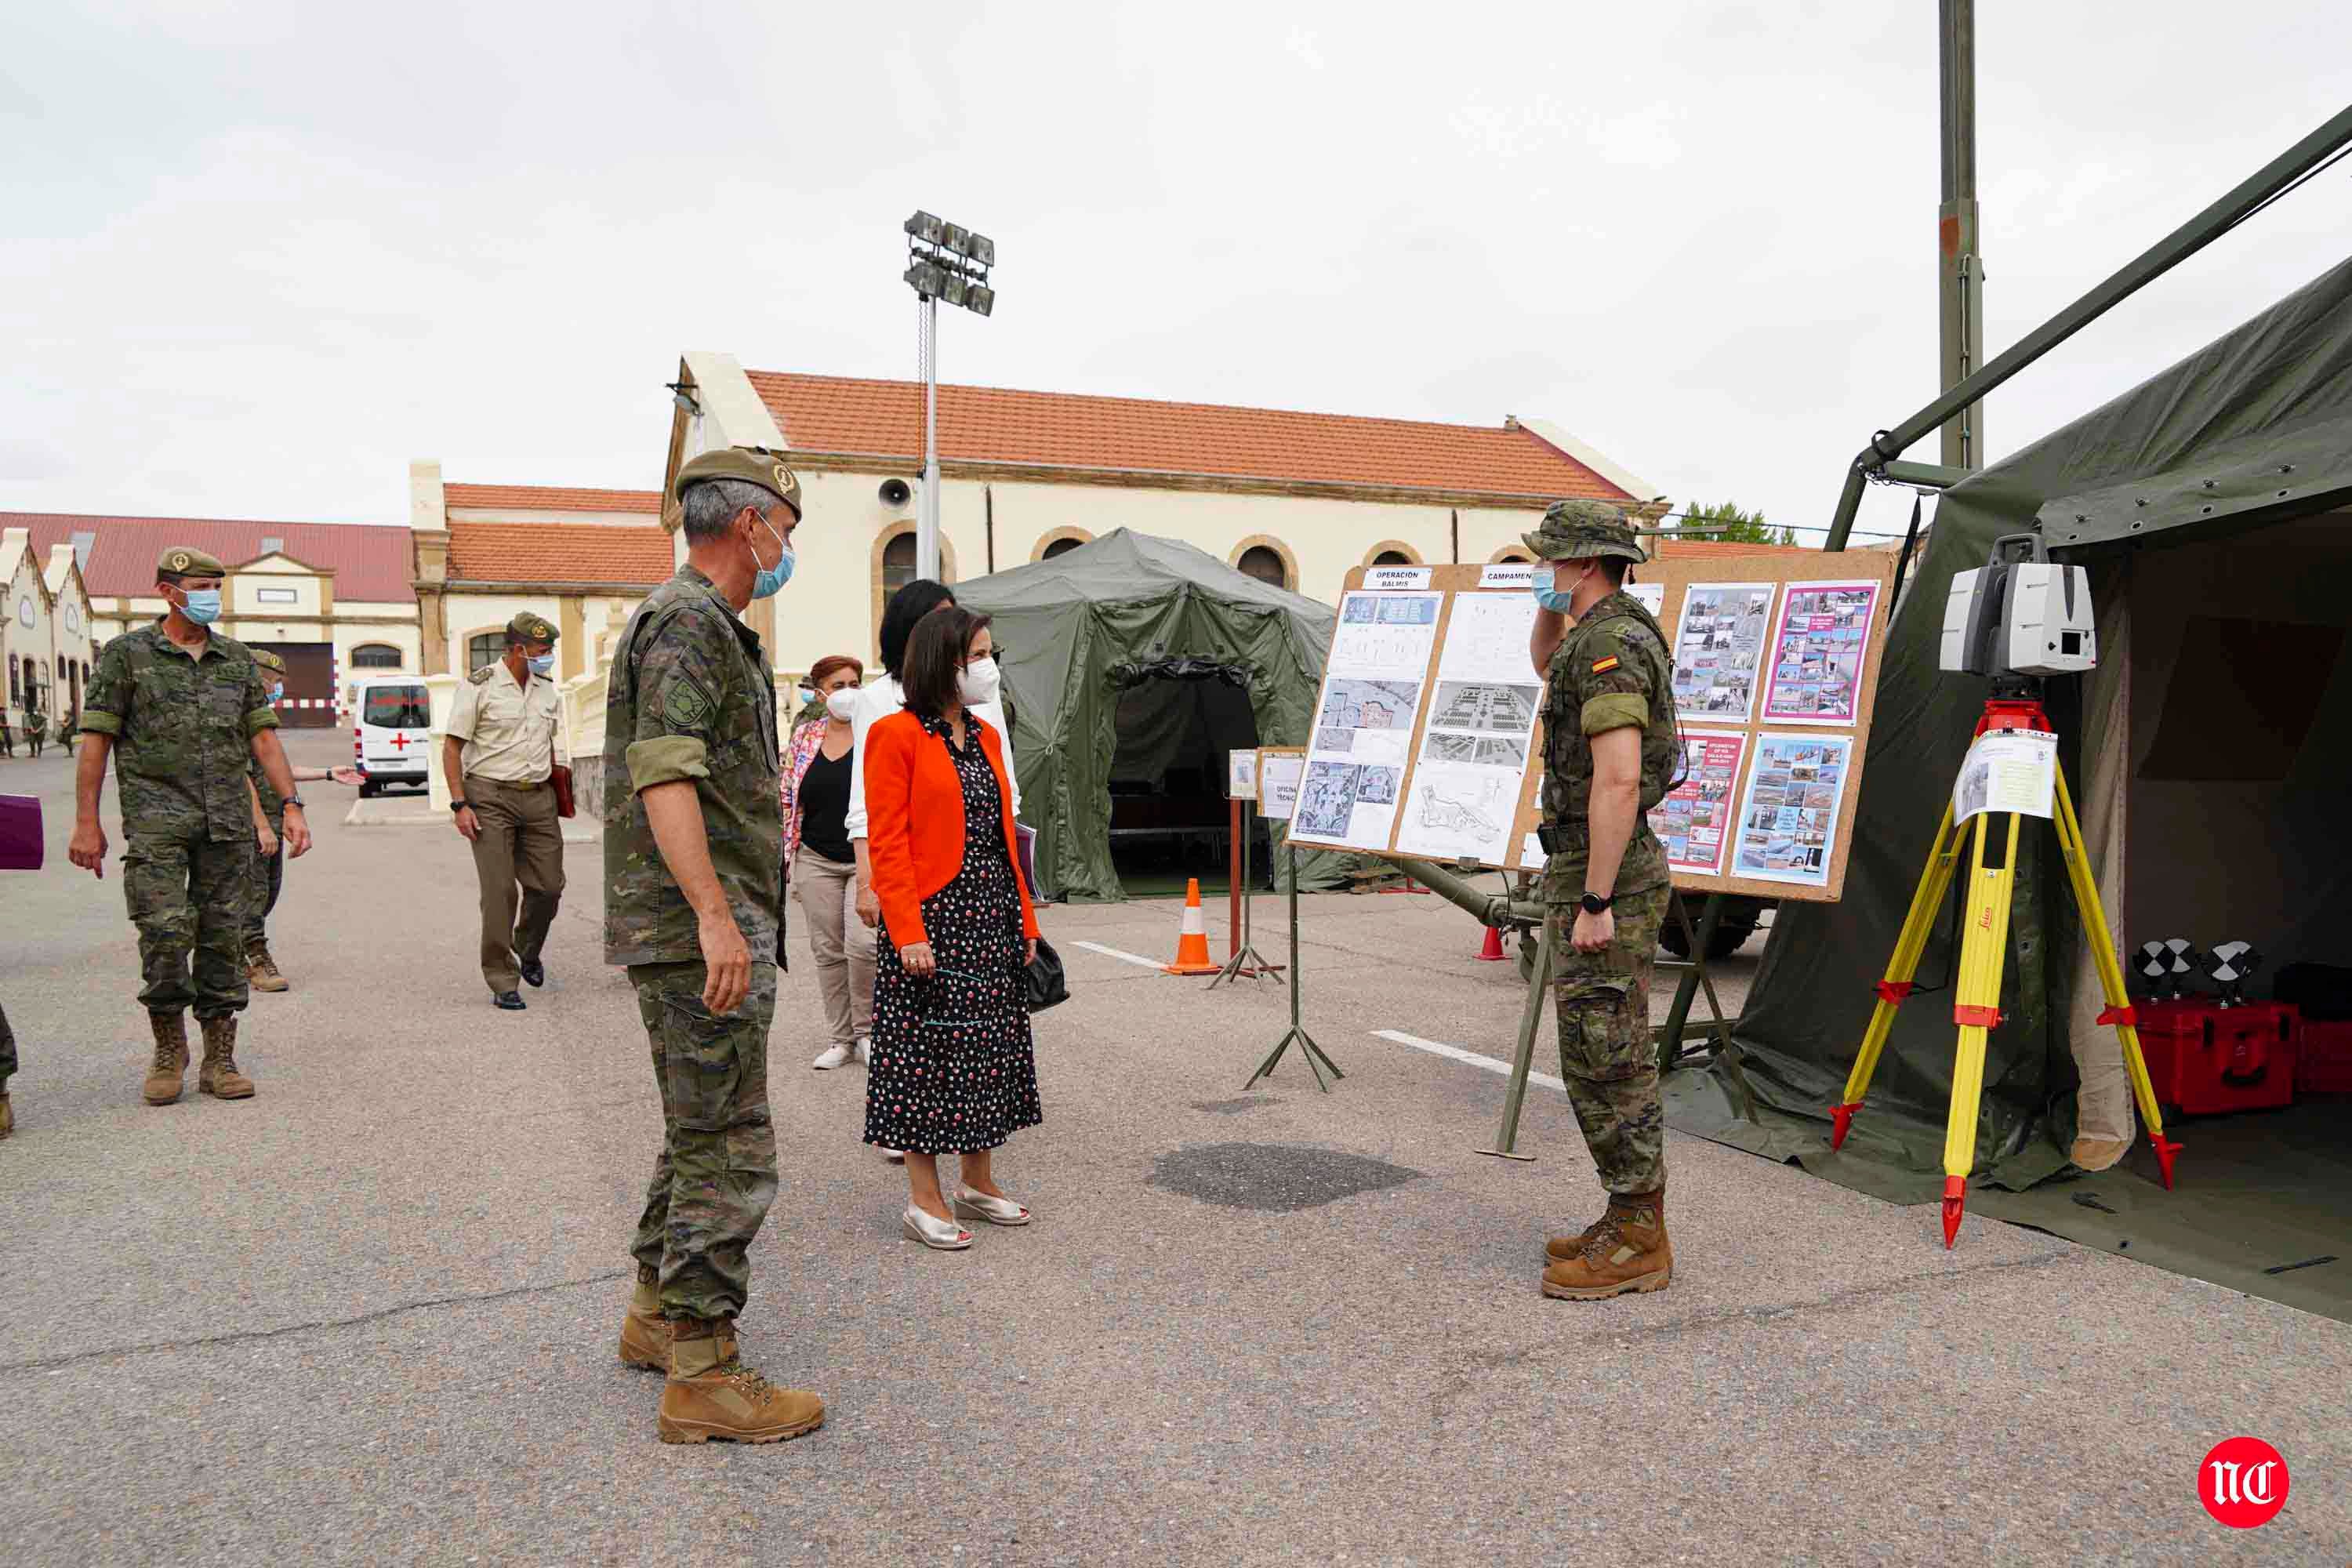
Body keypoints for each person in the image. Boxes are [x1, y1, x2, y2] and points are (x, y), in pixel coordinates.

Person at [604, 446, 824, 1446]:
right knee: (729, 1145)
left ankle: (656, 1316)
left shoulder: (700, 623)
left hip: (702, 923)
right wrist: (714, 914)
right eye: (789, 525)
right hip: (701, 930)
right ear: (751, 525)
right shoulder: (689, 620)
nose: (790, 546)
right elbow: (665, 773)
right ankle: (703, 1370)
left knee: (698, 1130)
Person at [68, 546, 312, 1106]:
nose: (211, 598)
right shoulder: (126, 656)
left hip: (227, 822)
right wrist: (87, 822)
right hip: (157, 822)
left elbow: (264, 739)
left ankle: (220, 1059)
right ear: (167, 591)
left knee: (223, 936)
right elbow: (96, 743)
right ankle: (168, 1049)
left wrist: (291, 804)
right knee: (163, 933)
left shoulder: (236, 659)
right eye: (200, 587)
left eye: (215, 587)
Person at [1524, 501, 1681, 1301]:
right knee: (1595, 1049)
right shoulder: (1603, 629)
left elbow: (1618, 777)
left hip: (1604, 872)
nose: (1544, 572)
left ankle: (1640, 1235)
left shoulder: (1612, 644)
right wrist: (1550, 608)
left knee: (1608, 1053)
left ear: (1584, 562)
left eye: (1553, 563)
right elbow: (1544, 661)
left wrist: (1595, 897)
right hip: (1594, 864)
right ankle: (1625, 1212)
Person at [863, 607, 1044, 1251]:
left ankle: (977, 1182)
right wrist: (906, 929)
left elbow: (1004, 840)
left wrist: (1024, 917)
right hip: (931, 921)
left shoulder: (989, 736)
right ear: (944, 661)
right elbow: (887, 842)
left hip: (990, 913)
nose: (987, 666)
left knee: (989, 1052)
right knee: (925, 1059)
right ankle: (923, 1197)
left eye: (990, 653)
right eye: (977, 655)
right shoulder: (894, 734)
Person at [444, 612, 569, 1011]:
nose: (548, 657)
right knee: (499, 891)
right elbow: (451, 748)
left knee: (549, 886)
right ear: (518, 650)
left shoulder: (546, 688)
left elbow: (546, 742)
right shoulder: (479, 687)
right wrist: (459, 803)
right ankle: (502, 978)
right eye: (542, 651)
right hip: (490, 796)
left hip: (538, 797)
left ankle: (526, 947)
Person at [240, 648, 362, 992]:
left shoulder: (260, 718)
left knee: (266, 894)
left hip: (269, 819)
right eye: (275, 683)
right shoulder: (237, 717)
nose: (278, 689)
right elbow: (239, 773)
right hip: (248, 823)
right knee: (252, 896)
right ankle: (254, 960)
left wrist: (327, 773)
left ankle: (235, 956)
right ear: (258, 679)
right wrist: (261, 823)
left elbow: (276, 771)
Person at [782, 654, 876, 1070]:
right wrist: (787, 859)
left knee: (863, 945)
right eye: (839, 686)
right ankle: (840, 1039)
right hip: (815, 857)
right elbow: (788, 797)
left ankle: (868, 1032)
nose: (849, 693)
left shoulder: (876, 732)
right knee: (827, 951)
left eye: (855, 683)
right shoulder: (804, 736)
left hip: (866, 858)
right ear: (820, 692)